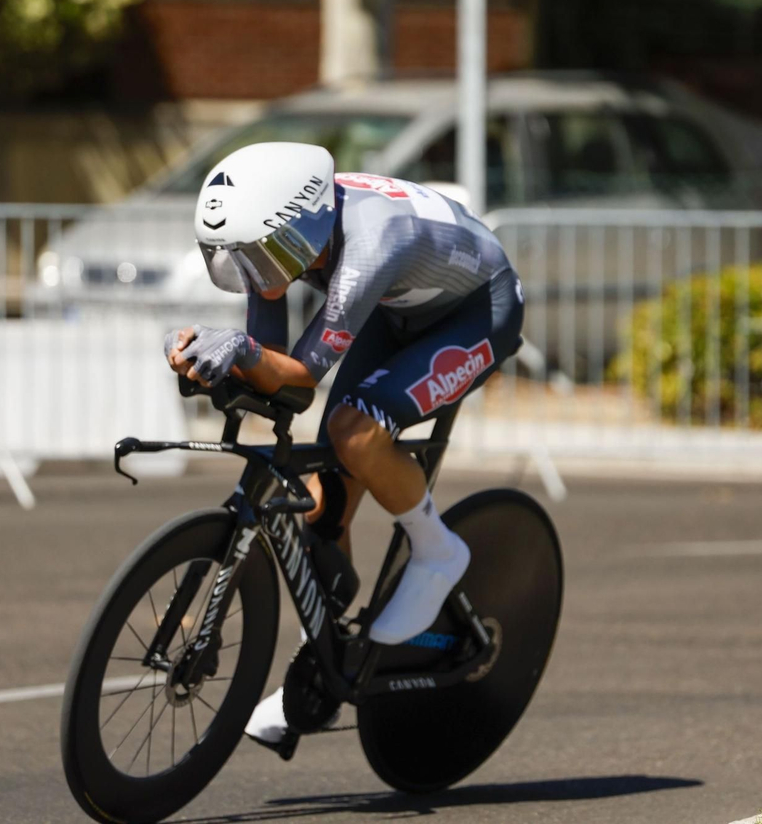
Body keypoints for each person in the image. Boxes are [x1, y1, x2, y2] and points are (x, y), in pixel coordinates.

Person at [163, 140, 524, 752]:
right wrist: (213, 354)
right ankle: (323, 670)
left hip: (477, 312)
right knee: (320, 508)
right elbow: (276, 374)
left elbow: (298, 373)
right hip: (400, 308)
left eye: (261, 254)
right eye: (242, 256)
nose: (257, 268)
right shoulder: (284, 234)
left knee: (355, 432)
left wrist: (246, 353)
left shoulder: (367, 246)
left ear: (301, 229)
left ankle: (438, 550)